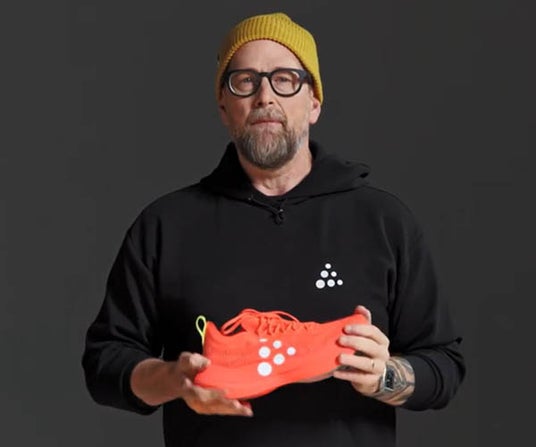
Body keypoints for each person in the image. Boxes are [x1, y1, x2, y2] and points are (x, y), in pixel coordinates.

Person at [82, 11, 466, 447]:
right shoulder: (166, 225)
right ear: (223, 106)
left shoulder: (383, 221)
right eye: (245, 81)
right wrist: (176, 379)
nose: (265, 96)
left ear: (314, 102)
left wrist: (385, 376)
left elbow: (445, 366)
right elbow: (105, 363)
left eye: (285, 79)